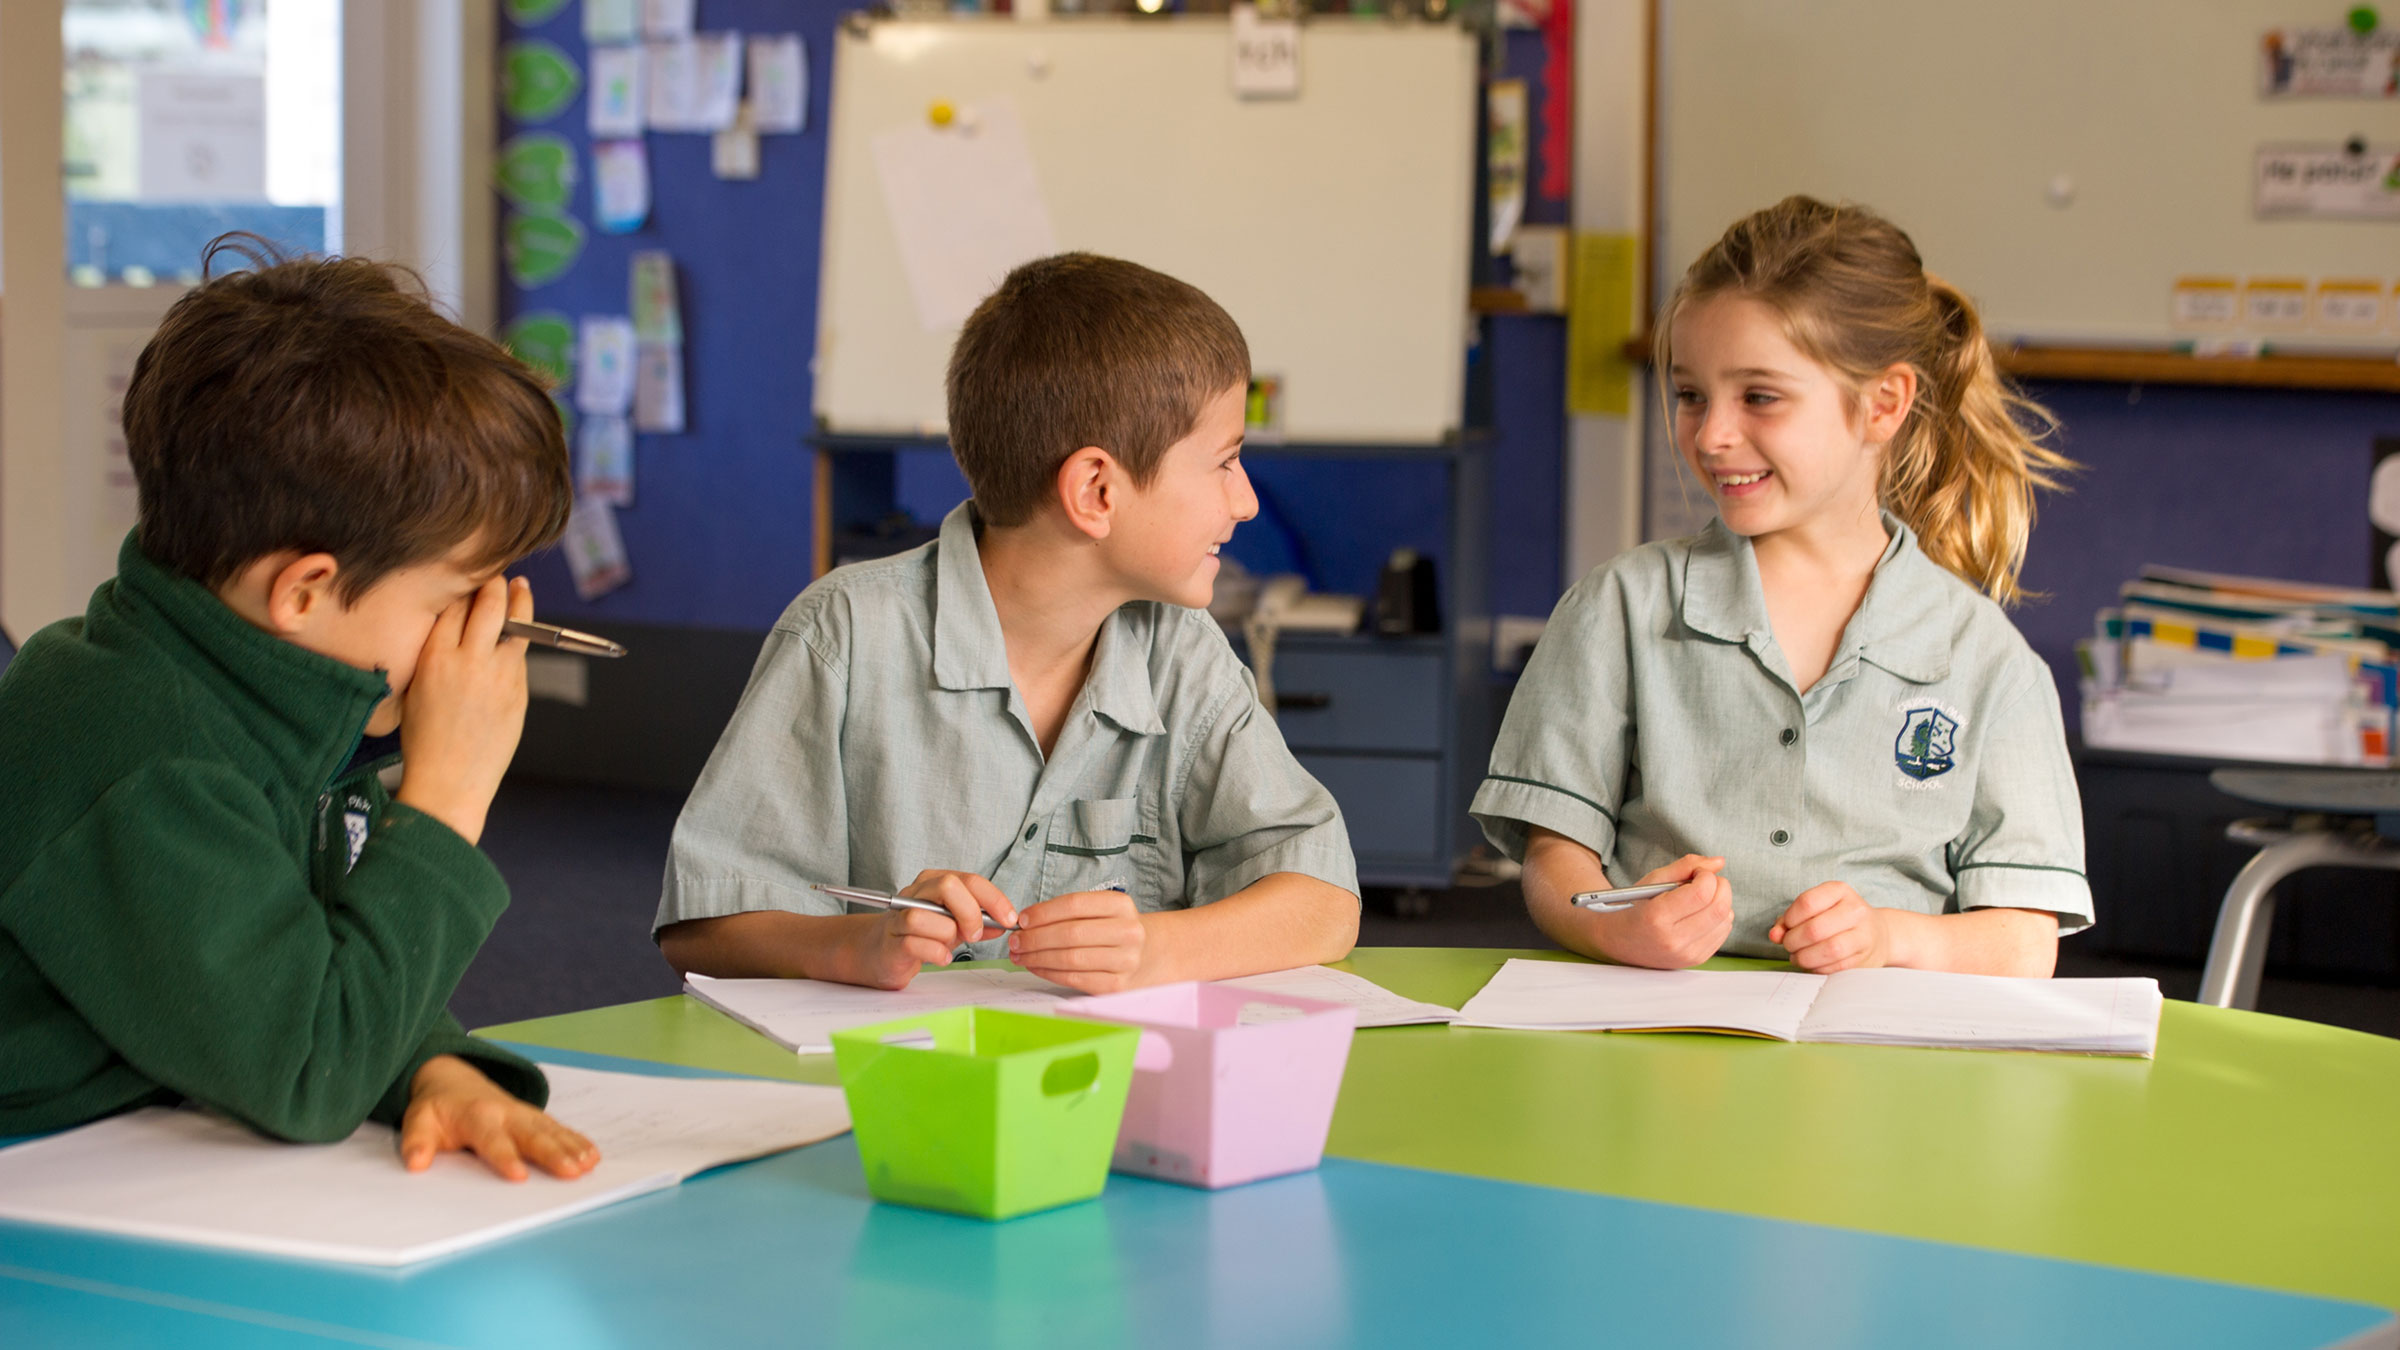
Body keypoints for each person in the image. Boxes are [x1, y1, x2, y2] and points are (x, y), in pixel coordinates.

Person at [0, 236, 598, 1180]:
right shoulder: (145, 753)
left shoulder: (266, 691)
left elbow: (303, 955)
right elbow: (311, 1066)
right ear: (306, 592)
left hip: (158, 1140)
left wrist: (432, 1063)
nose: (483, 631)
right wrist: (446, 799)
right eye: (453, 599)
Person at [657, 253, 1358, 993]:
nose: (1245, 501)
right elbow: (704, 929)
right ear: (1095, 490)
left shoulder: (1180, 651)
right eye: (1224, 462)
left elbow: (1325, 903)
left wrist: (1153, 949)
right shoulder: (845, 635)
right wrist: (856, 945)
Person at [1472, 196, 2089, 977]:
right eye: (1691, 394)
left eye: (1759, 396)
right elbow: (1555, 858)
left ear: (1884, 404)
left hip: (1886, 1073)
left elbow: (2025, 940)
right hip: (1664, 1051)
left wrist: (1892, 940)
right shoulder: (1620, 607)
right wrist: (1614, 929)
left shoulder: (1987, 659)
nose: (1711, 435)